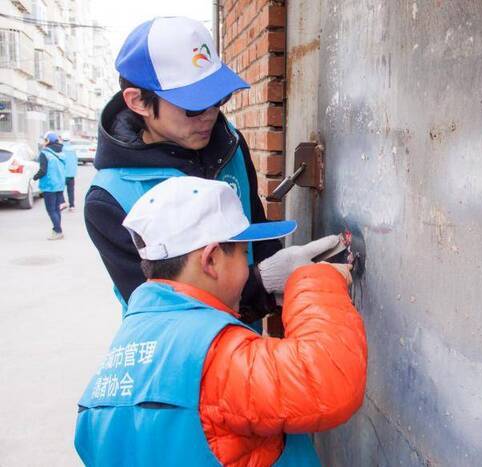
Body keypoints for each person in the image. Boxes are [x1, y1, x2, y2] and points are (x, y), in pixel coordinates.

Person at [74, 177, 367, 466]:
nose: (248, 266)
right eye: (242, 254)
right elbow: (326, 382)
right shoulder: (212, 354)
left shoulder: (121, 357)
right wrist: (315, 281)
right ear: (211, 259)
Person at [84, 16, 339, 325]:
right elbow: (163, 311)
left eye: (218, 98)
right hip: (187, 359)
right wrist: (264, 284)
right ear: (138, 101)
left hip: (246, 340)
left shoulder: (229, 142)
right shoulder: (110, 197)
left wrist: (294, 276)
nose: (210, 115)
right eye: (193, 105)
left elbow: (254, 228)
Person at [33, 131, 66, 240]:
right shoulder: (62, 152)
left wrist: (35, 177)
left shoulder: (45, 153)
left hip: (49, 185)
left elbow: (43, 170)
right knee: (56, 209)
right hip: (59, 184)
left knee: (51, 210)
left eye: (44, 139)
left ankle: (58, 231)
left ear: (48, 141)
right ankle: (57, 229)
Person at [60, 135, 78, 212]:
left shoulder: (60, 149)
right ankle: (72, 206)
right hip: (71, 174)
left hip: (62, 174)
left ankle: (63, 202)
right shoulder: (73, 149)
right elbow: (75, 161)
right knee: (71, 190)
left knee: (60, 189)